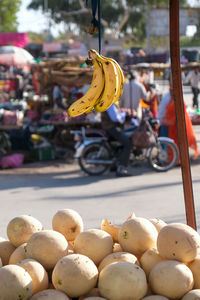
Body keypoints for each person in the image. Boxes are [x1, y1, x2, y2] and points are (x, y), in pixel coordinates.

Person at [161, 92, 198, 162]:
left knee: (180, 143)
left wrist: (169, 121)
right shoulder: (171, 100)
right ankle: (175, 159)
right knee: (174, 144)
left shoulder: (179, 101)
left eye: (172, 90)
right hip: (172, 126)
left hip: (177, 125)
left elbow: (179, 114)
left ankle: (179, 159)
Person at [101, 103, 132, 177]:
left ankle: (114, 165)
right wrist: (124, 114)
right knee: (128, 144)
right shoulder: (110, 104)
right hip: (111, 128)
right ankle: (121, 169)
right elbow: (115, 118)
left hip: (110, 127)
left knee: (120, 145)